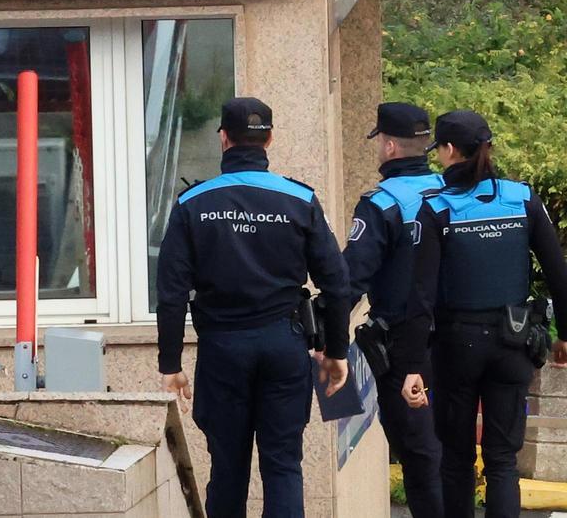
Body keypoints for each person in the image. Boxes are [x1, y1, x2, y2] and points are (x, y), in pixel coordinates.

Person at [157, 96, 354, 518]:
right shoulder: (300, 199)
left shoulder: (193, 203)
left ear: (223, 138)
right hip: (284, 345)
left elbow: (171, 292)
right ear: (270, 139)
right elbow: (337, 284)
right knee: (283, 465)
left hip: (223, 350)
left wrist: (170, 363)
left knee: (228, 469)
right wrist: (337, 351)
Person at [397, 110, 567, 518]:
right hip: (514, 341)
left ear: (449, 150)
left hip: (457, 347)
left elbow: (421, 295)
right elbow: (558, 272)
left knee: (456, 459)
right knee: (502, 461)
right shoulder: (522, 198)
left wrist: (412, 365)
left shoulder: (436, 208)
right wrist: (564, 334)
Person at [342, 102, 444, 518]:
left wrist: (327, 338)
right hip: (463, 338)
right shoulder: (453, 191)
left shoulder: (381, 204)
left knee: (419, 456)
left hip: (404, 347)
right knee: (452, 452)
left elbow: (351, 279)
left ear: (388, 146)